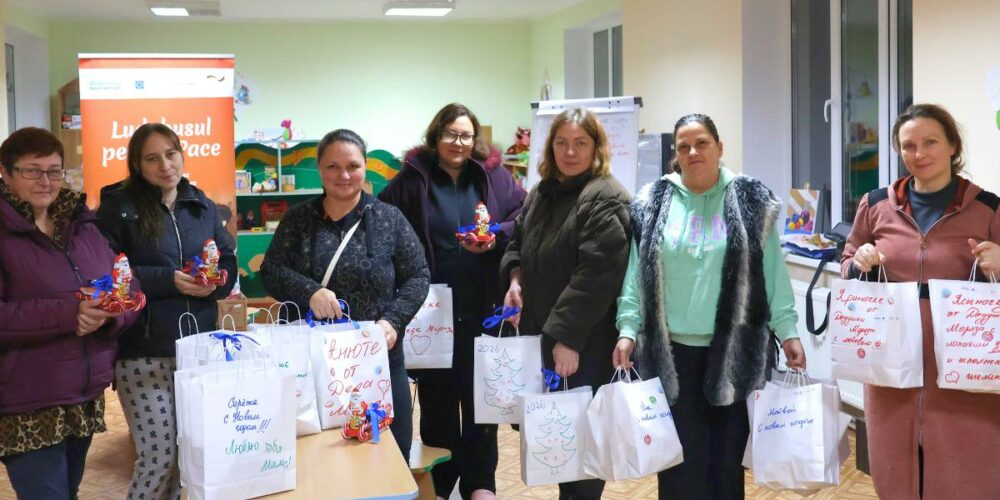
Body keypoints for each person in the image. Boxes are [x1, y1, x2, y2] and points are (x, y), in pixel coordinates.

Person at [616, 113, 805, 499]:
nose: (692, 152)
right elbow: (636, 275)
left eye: (701, 143)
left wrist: (788, 332)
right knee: (678, 466)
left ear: (720, 147)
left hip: (735, 354)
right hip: (671, 357)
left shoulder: (751, 200)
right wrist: (626, 329)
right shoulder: (653, 202)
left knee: (726, 466)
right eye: (683, 146)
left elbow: (773, 274)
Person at [841, 104, 1000, 499]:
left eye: (930, 142)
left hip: (967, 375)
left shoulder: (989, 209)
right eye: (909, 145)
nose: (919, 153)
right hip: (892, 373)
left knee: (968, 480)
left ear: (952, 146)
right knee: (897, 477)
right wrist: (860, 262)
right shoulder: (875, 205)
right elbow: (847, 263)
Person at [379, 103, 524, 500]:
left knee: (483, 401)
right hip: (431, 310)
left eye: (465, 136)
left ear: (475, 140)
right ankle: (441, 483)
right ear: (435, 136)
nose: (458, 143)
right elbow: (382, 218)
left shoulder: (494, 176)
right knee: (438, 401)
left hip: (484, 304)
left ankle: (481, 484)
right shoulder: (413, 178)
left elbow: (522, 214)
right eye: (450, 135)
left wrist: (496, 234)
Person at [260, 128, 430, 464]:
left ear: (365, 168)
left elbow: (418, 275)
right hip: (313, 366)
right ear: (319, 169)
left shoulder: (388, 219)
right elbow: (271, 271)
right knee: (322, 459)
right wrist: (310, 292)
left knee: (388, 456)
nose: (344, 175)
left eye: (353, 165)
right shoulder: (298, 220)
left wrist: (393, 321)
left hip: (377, 360)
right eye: (333, 166)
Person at [96, 123, 237, 500]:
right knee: (158, 456)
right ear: (136, 164)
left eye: (171, 154)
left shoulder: (201, 204)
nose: (165, 165)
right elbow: (107, 270)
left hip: (197, 351)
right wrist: (167, 280)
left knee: (188, 458)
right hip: (142, 352)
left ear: (181, 154)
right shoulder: (118, 207)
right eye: (152, 158)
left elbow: (227, 259)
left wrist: (216, 282)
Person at [0, 127, 140, 498]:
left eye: (54, 170)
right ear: (6, 172)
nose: (46, 181)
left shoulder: (82, 224)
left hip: (82, 394)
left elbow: (128, 287)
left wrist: (112, 313)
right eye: (32, 170)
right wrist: (70, 315)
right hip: (27, 400)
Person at [499, 107, 631, 499]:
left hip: (581, 343)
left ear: (596, 147)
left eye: (580, 143)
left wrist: (568, 338)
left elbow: (599, 273)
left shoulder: (605, 196)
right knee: (557, 441)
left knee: (582, 447)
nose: (569, 151)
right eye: (561, 142)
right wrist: (515, 278)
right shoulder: (542, 192)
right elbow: (517, 243)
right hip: (545, 337)